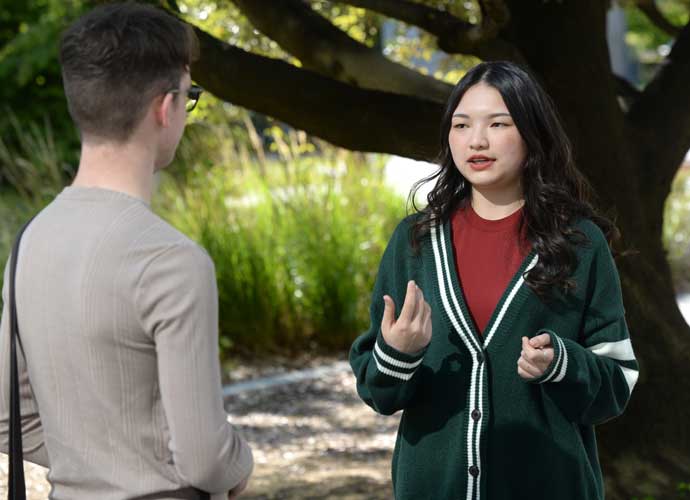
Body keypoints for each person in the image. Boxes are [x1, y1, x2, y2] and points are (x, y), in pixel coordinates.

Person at [349, 61, 639, 500]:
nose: (476, 140)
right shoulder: (416, 242)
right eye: (461, 125)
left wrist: (560, 364)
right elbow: (378, 391)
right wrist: (398, 354)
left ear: (531, 133)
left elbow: (617, 383)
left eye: (498, 123)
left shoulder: (579, 244)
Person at [0, 3, 253, 499]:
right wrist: (240, 461)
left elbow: (7, 415)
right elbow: (204, 458)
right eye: (189, 96)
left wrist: (95, 462)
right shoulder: (171, 261)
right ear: (166, 107)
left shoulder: (29, 242)